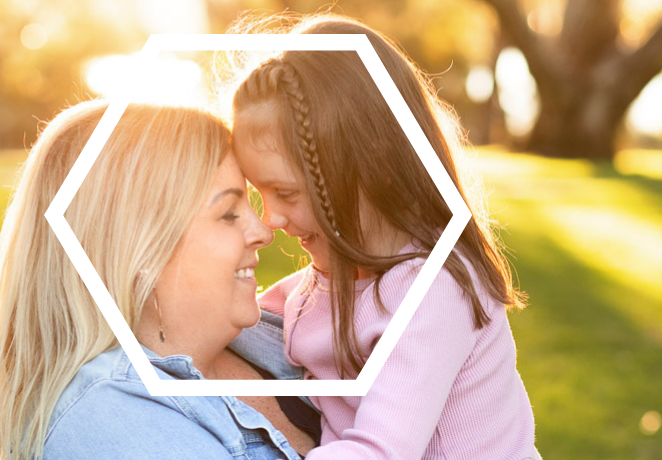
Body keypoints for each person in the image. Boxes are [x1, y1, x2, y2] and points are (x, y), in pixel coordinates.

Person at [228, 14, 542, 459]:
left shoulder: (435, 287)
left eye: (285, 193)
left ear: (366, 167)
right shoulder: (323, 282)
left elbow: (380, 450)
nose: (271, 218)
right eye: (259, 193)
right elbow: (241, 319)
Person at [0, 99, 320, 460]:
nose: (264, 230)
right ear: (142, 250)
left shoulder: (289, 331)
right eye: (229, 214)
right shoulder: (107, 420)